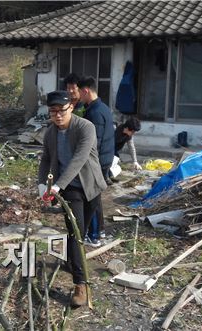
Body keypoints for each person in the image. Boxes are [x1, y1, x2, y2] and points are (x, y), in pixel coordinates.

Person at [38, 91, 106, 307]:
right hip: (70, 191)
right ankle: (80, 284)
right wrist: (43, 185)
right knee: (75, 234)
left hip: (90, 185)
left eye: (61, 111)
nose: (57, 116)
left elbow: (79, 158)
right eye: (53, 112)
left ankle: (72, 260)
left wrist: (57, 185)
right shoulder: (50, 133)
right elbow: (46, 159)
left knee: (80, 232)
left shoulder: (86, 127)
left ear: (71, 108)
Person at [78, 76, 114, 245]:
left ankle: (93, 236)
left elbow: (95, 142)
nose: (78, 96)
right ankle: (99, 231)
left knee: (91, 199)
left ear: (86, 90)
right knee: (96, 198)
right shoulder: (103, 107)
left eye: (79, 92)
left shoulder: (95, 112)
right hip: (105, 159)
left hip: (97, 161)